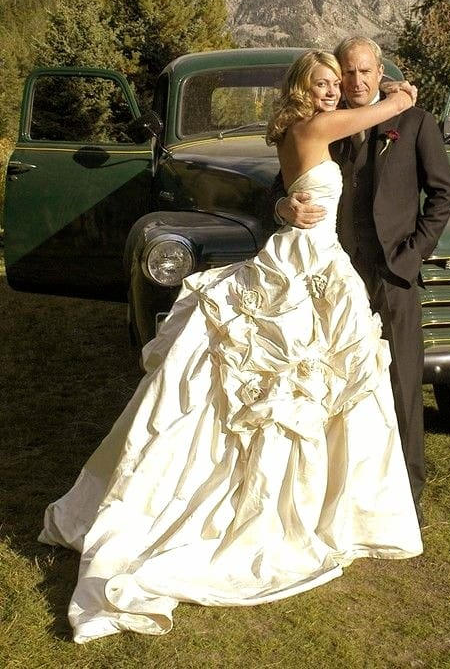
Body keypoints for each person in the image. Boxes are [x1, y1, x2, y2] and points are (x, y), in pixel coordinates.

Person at [39, 50, 423, 644]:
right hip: (308, 263)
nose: (332, 91)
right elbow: (378, 112)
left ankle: (324, 499)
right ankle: (291, 510)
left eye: (336, 83)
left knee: (314, 383)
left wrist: (285, 204)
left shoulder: (292, 130)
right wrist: (399, 94)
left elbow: (294, 184)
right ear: (303, 88)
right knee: (304, 382)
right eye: (322, 82)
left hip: (313, 256)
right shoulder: (318, 126)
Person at [275, 38, 450, 518]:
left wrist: (411, 257)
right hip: (333, 278)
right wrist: (283, 206)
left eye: (364, 71)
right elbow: (284, 184)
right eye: (347, 73)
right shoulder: (324, 122)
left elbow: (442, 195)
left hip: (392, 274)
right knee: (339, 385)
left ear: (380, 72)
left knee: (401, 385)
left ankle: (408, 498)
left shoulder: (415, 122)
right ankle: (347, 495)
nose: (355, 82)